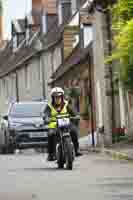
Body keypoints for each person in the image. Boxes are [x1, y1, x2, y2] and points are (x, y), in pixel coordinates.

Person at [44, 87, 82, 161]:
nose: (57, 99)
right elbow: (46, 114)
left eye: (59, 97)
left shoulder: (67, 104)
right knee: (50, 134)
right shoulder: (49, 106)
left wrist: (76, 116)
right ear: (53, 98)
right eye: (55, 97)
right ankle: (51, 154)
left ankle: (76, 150)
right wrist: (46, 118)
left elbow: (74, 112)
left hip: (67, 124)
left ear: (62, 97)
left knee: (74, 131)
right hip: (54, 125)